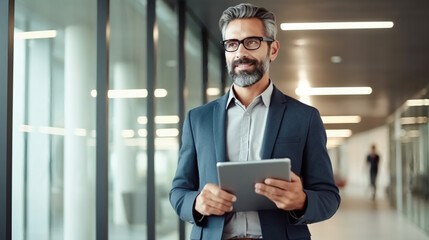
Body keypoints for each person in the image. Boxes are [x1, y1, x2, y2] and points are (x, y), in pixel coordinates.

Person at [170, 3, 340, 240]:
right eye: (232, 44)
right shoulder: (198, 119)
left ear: (273, 49)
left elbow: (329, 197)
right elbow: (179, 191)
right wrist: (197, 202)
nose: (240, 53)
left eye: (252, 42)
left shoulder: (304, 117)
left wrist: (302, 201)